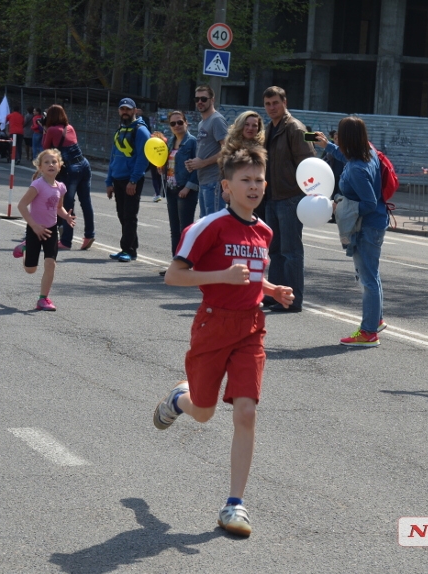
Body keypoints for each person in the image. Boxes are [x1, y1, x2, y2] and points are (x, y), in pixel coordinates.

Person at [153, 146, 294, 537]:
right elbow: (173, 276)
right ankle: (178, 400)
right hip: (213, 326)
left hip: (251, 329)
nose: (254, 186)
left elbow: (247, 276)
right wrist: (220, 278)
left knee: (246, 412)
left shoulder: (263, 230)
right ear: (227, 187)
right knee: (203, 411)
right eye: (245, 180)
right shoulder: (209, 226)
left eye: (259, 180)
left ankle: (234, 505)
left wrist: (271, 289)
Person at [316, 117, 389, 346]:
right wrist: (327, 145)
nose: (337, 137)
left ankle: (368, 333)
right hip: (375, 223)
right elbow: (346, 156)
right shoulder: (368, 151)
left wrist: (341, 206)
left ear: (348, 139)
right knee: (371, 275)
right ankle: (374, 321)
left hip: (367, 226)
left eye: (339, 135)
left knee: (367, 278)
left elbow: (368, 203)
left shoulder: (357, 168)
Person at [261, 85, 315, 313]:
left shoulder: (294, 128)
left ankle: (293, 300)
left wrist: (308, 194)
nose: (272, 108)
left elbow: (309, 162)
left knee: (291, 251)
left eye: (275, 103)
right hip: (271, 198)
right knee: (275, 251)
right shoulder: (269, 128)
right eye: (267, 104)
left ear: (285, 103)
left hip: (291, 198)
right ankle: (276, 295)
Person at [13, 149, 76, 312]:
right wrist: (34, 226)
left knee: (50, 264)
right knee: (30, 270)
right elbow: (21, 205)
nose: (51, 165)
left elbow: (58, 207)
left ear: (60, 166)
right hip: (35, 229)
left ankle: (43, 298)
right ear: (40, 167)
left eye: (54, 162)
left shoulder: (61, 187)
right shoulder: (37, 185)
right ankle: (25, 246)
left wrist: (66, 216)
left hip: (51, 230)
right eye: (46, 162)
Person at [42, 104, 94, 251]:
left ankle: (66, 241)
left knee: (67, 205)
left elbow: (45, 149)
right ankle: (89, 234)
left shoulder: (51, 130)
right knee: (86, 202)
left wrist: (45, 131)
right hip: (84, 165)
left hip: (70, 170)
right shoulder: (69, 127)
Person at [105, 97, 150, 262]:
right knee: (122, 215)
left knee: (129, 216)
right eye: (122, 109)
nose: (125, 112)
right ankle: (130, 248)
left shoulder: (141, 131)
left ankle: (128, 250)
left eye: (128, 109)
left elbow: (143, 158)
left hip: (131, 180)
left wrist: (133, 181)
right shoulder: (120, 130)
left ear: (135, 110)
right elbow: (113, 156)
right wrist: (109, 182)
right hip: (118, 178)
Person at [185, 86, 227, 217]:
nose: (200, 102)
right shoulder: (202, 123)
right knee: (206, 224)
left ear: (212, 100)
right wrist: (193, 163)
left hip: (214, 181)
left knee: (213, 225)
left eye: (203, 99)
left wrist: (203, 163)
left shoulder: (217, 120)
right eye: (197, 99)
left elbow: (227, 150)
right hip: (204, 181)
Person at [162, 110, 199, 258]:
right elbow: (170, 164)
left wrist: (188, 187)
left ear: (186, 123)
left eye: (179, 122)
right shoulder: (170, 142)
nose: (176, 125)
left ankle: (185, 262)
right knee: (174, 229)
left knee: (185, 229)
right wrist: (162, 169)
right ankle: (175, 262)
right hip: (171, 188)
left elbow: (197, 167)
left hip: (185, 190)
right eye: (173, 123)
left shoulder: (192, 142)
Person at [224, 111, 266, 216]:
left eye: (254, 125)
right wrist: (226, 190)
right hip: (235, 195)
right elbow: (224, 170)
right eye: (247, 124)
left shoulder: (263, 146)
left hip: (257, 196)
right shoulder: (231, 146)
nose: (250, 128)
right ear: (240, 125)